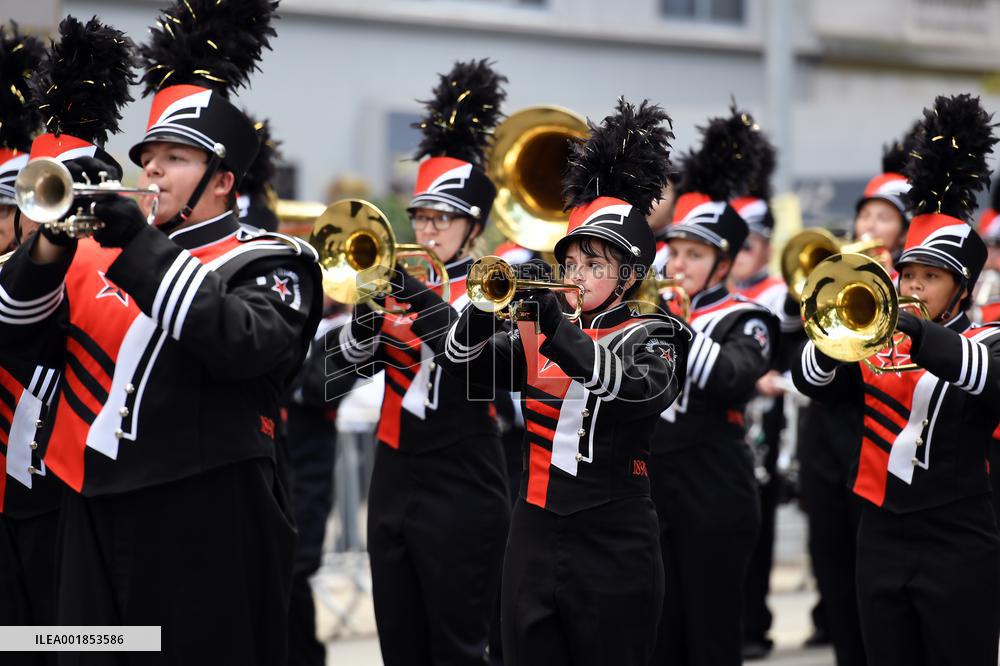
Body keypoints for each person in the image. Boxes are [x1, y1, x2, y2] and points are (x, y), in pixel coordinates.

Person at [0, 5, 323, 663]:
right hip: (94, 510)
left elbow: (245, 343)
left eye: (175, 159)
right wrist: (47, 252)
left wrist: (137, 243)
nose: (151, 172)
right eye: (147, 158)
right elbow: (15, 331)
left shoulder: (270, 259)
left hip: (206, 516)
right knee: (86, 652)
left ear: (223, 180)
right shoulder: (100, 257)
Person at [439, 97, 686, 666]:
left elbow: (634, 394)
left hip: (614, 536)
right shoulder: (541, 328)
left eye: (595, 265)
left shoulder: (658, 332)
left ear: (628, 276)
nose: (578, 275)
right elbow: (463, 372)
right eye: (573, 263)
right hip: (533, 530)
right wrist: (479, 308)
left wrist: (555, 329)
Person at [792, 93, 1000, 666]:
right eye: (907, 275)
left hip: (958, 537)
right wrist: (837, 338)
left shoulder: (984, 341)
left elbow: (987, 379)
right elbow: (809, 379)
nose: (912, 287)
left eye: (929, 278)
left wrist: (915, 329)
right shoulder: (876, 340)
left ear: (959, 289)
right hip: (880, 534)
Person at [327, 59, 512, 666]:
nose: (428, 231)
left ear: (474, 225)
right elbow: (330, 376)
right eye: (422, 217)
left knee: (458, 645)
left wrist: (413, 295)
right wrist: (362, 315)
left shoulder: (496, 288)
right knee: (400, 644)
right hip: (393, 476)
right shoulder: (399, 287)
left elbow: (472, 362)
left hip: (464, 479)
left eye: (443, 219)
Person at [651, 104, 778, 666]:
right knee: (659, 635)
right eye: (674, 251)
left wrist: (671, 321)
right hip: (653, 484)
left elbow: (729, 378)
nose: (678, 265)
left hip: (715, 488)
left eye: (694, 255)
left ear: (722, 263)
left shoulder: (747, 317)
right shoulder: (649, 310)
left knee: (711, 637)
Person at [726, 130, 788, 660]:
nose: (741, 255)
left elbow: (793, 361)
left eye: (748, 245)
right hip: (723, 420)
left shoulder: (777, 294)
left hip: (763, 426)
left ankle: (756, 622)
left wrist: (775, 380)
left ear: (765, 244)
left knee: (759, 526)